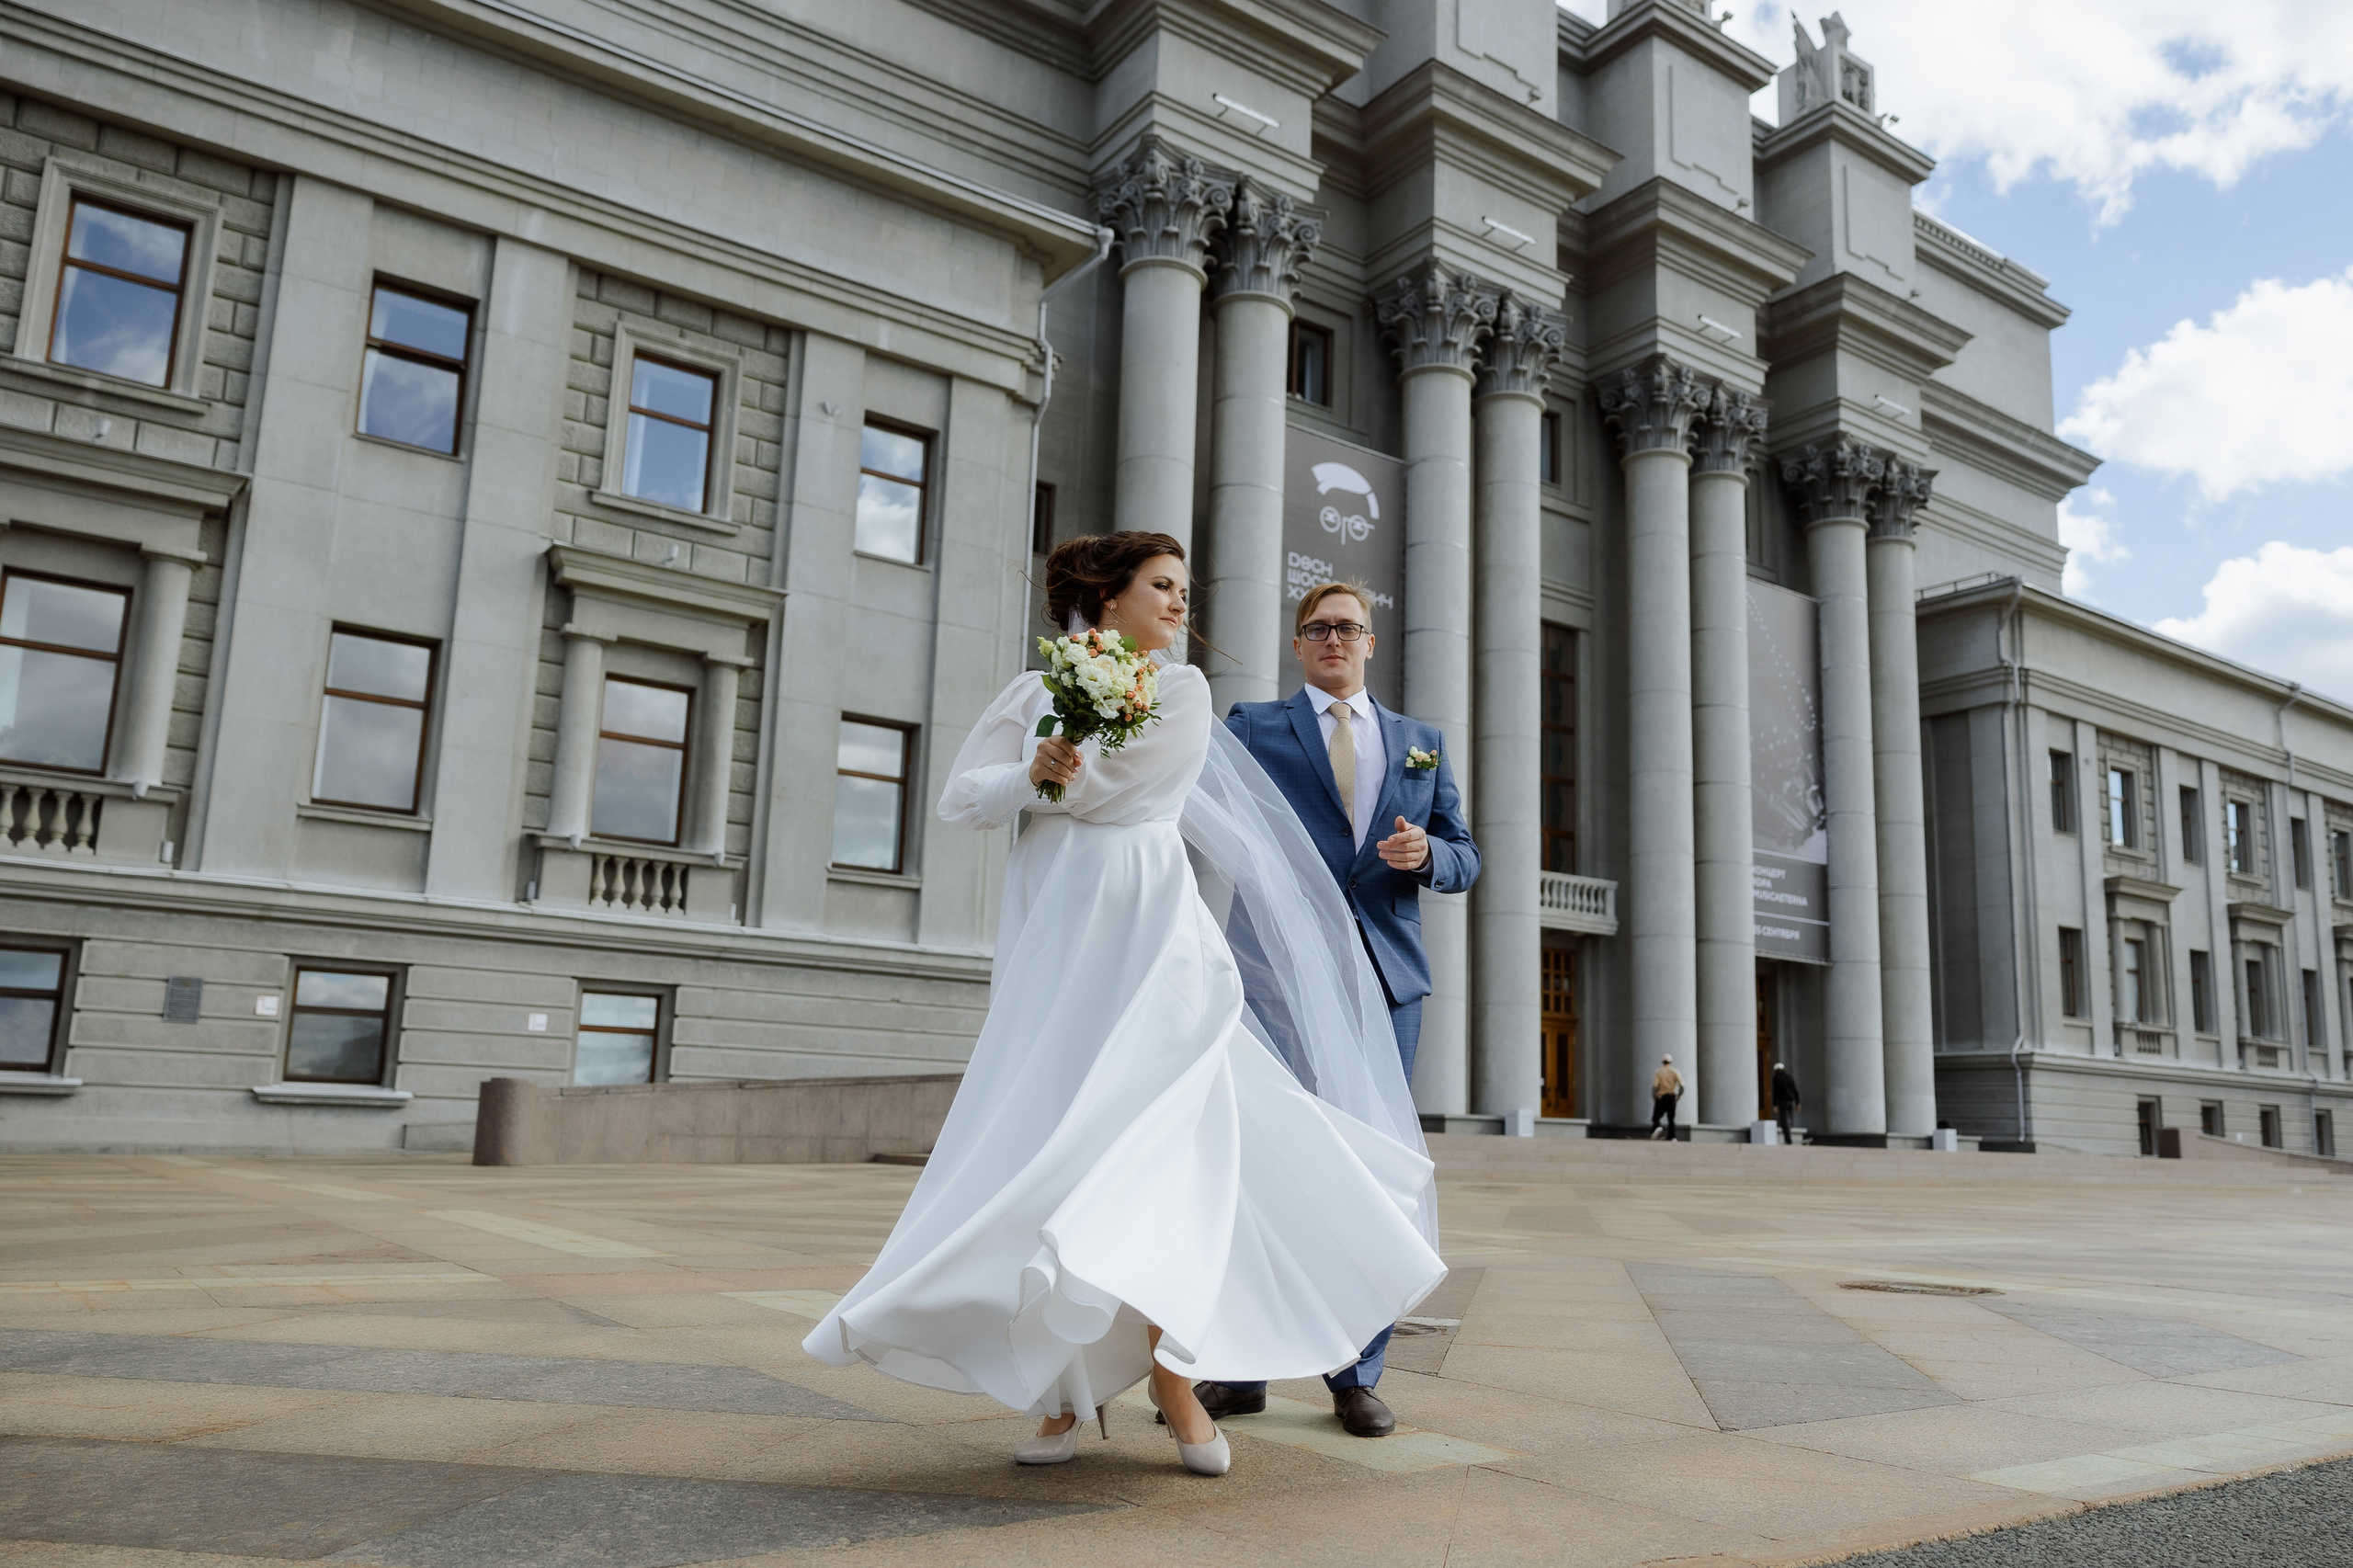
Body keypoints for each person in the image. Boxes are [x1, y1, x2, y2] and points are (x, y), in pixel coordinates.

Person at [802, 533, 1444, 1480]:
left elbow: (1128, 788)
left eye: (1185, 587)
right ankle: (1064, 1393)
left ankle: (1175, 1377)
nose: (1182, 602)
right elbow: (962, 798)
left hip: (1150, 930)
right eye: (1163, 586)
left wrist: (1055, 777)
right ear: (1107, 598)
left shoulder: (1179, 691)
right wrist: (1031, 774)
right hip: (1058, 928)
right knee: (1053, 1141)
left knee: (1160, 1146)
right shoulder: (1030, 691)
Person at [1199, 580, 1481, 1439]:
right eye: (1317, 629)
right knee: (1263, 1166)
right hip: (1276, 984)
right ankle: (1240, 1368)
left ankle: (1356, 1375)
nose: (1333, 640)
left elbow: (1467, 858)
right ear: (1298, 645)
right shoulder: (1251, 727)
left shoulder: (1421, 744)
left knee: (1372, 1173)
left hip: (1386, 982)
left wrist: (1428, 851)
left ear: (1370, 642)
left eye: (1347, 628)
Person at [1650, 1054, 1684, 1141]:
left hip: (1661, 1097)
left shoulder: (1659, 1072)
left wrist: (1654, 1096)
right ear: (1670, 1062)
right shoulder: (1675, 1071)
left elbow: (1655, 1086)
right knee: (1671, 1118)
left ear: (1663, 1062)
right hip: (1671, 1097)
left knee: (1656, 1117)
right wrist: (1679, 1095)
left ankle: (1656, 1128)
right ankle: (1672, 1136)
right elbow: (1681, 1085)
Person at [1771, 1061, 1802, 1146]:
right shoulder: (1789, 1077)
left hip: (1782, 1102)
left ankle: (1788, 1139)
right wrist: (1797, 1102)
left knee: (1784, 1121)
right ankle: (1789, 1136)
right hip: (1790, 1101)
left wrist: (1774, 1104)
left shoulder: (1776, 1078)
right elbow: (1795, 1090)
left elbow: (1775, 1092)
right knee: (1789, 1119)